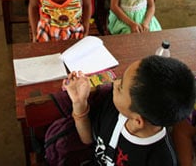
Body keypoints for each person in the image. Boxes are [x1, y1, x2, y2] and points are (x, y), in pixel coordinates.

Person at [62, 55, 196, 165]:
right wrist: (79, 103)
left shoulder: (162, 159)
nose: (114, 83)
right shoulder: (114, 106)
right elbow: (88, 139)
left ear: (138, 121)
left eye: (120, 87)